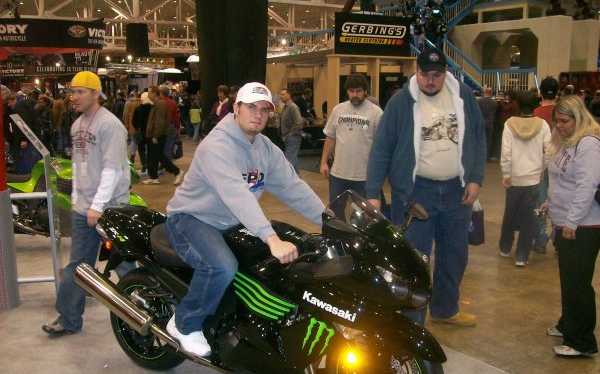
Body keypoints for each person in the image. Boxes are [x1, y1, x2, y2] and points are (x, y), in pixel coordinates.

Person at [164, 82, 325, 356]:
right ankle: (184, 323)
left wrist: (329, 220)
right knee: (222, 266)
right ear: (236, 108)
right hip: (193, 219)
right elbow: (236, 195)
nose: (258, 114)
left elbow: (293, 187)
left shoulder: (265, 148)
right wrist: (271, 238)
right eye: (251, 107)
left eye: (264, 109)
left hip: (230, 221)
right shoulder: (217, 146)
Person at [366, 47, 486, 327]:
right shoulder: (401, 102)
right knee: (413, 258)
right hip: (415, 193)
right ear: (416, 72)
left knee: (454, 254)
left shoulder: (463, 96)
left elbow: (479, 136)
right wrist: (373, 193)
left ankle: (446, 309)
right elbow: (382, 147)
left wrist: (475, 178)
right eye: (425, 74)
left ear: (445, 73)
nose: (430, 81)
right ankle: (412, 321)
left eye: (436, 75)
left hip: (457, 191)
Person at [42, 71, 131, 335]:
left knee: (125, 264)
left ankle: (145, 314)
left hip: (111, 208)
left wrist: (98, 205)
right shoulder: (77, 125)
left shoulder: (111, 125)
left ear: (96, 94)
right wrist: (78, 200)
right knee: (78, 266)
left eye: (80, 91)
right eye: (72, 92)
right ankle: (68, 319)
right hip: (85, 209)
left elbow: (113, 169)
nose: (74, 97)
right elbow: (80, 166)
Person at [544, 95, 600, 357]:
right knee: (569, 279)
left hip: (584, 226)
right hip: (565, 222)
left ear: (578, 118)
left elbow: (587, 186)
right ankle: (568, 323)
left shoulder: (588, 144)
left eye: (564, 121)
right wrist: (550, 203)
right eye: (556, 121)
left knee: (578, 283)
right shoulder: (568, 143)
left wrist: (572, 221)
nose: (559, 126)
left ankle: (581, 341)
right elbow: (561, 181)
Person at [499, 91, 552, 267]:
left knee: (509, 214)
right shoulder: (543, 125)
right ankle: (522, 256)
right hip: (533, 179)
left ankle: (505, 248)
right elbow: (549, 151)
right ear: (536, 105)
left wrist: (506, 174)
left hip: (514, 179)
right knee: (528, 218)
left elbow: (506, 152)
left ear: (519, 105)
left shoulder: (509, 124)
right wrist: (542, 168)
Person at [320, 73, 383, 202]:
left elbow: (381, 146)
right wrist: (324, 162)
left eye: (358, 91)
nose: (355, 95)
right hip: (338, 175)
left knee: (362, 214)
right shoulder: (338, 110)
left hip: (364, 177)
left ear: (365, 91)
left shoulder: (376, 113)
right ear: (347, 91)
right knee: (336, 212)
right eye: (351, 91)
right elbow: (330, 137)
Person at [532, 76, 559, 254]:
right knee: (559, 200)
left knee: (540, 201)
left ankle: (541, 240)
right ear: (557, 92)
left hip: (539, 164)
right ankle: (558, 239)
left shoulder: (535, 114)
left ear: (540, 92)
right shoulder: (563, 113)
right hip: (561, 163)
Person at [143, 85, 184, 186]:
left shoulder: (160, 104)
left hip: (157, 136)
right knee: (153, 157)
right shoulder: (157, 103)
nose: (148, 94)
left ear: (154, 93)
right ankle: (153, 177)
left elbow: (160, 122)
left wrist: (156, 136)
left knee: (160, 156)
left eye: (149, 92)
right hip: (154, 135)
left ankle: (177, 171)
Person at [279, 88, 304, 175]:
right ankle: (297, 179)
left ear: (289, 95)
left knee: (289, 160)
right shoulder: (286, 107)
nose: (280, 96)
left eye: (283, 94)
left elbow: (299, 122)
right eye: (280, 94)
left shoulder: (293, 107)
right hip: (288, 137)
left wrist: (291, 134)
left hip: (293, 137)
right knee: (293, 158)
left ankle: (288, 179)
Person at [477, 87, 499, 161]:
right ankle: (487, 156)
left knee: (480, 139)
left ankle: (480, 155)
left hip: (481, 122)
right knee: (488, 140)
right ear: (491, 93)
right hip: (490, 123)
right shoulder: (494, 102)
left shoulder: (479, 101)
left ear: (484, 92)